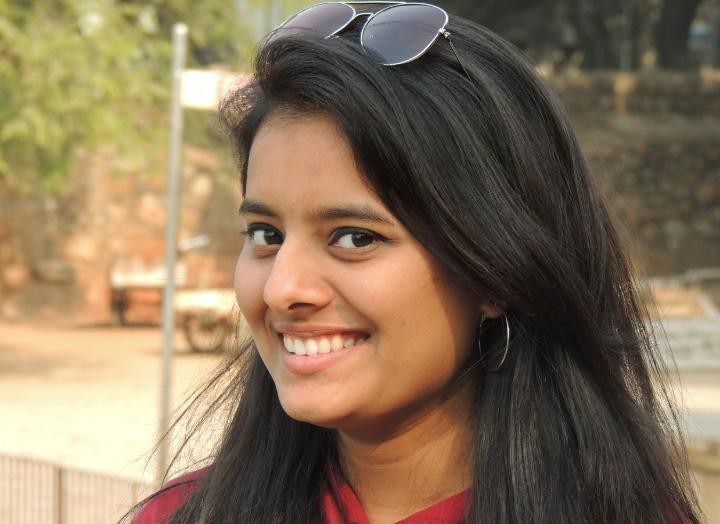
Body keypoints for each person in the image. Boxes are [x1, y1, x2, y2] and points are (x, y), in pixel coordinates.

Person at [130, 2, 701, 523]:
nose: (283, 289)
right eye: (266, 234)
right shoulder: (184, 516)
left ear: (494, 270)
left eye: (355, 238)